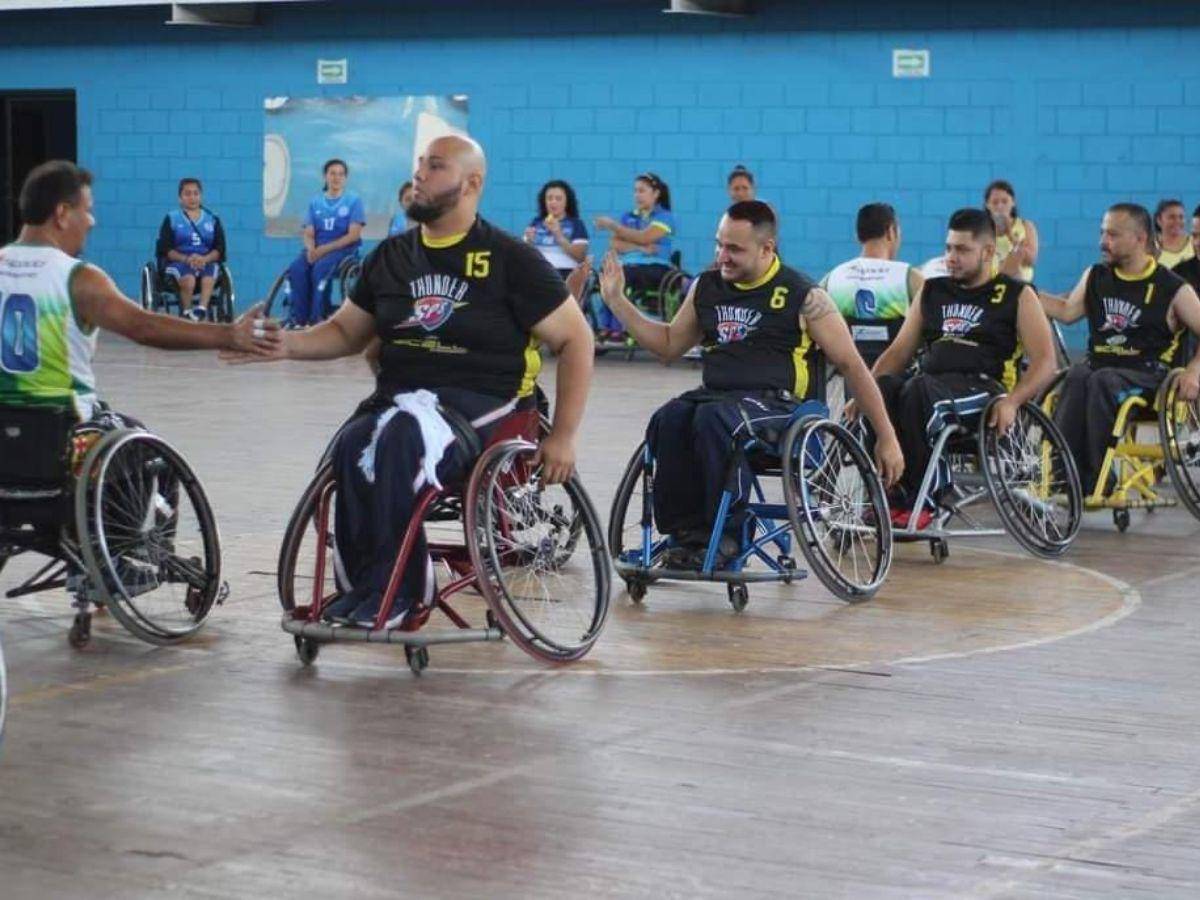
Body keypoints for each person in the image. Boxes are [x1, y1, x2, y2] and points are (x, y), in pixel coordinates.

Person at [223, 135, 594, 630]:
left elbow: (577, 340)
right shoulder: (392, 256)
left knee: (401, 439)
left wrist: (563, 435)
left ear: (472, 183)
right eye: (420, 164)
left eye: (435, 166)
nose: (419, 174)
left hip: (488, 404)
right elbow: (346, 332)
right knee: (355, 444)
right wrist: (283, 344)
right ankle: (365, 589)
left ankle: (402, 595)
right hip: (405, 400)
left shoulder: (511, 259)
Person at [598, 200, 903, 565]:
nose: (722, 256)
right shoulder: (706, 287)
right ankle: (686, 534)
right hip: (718, 398)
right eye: (719, 244)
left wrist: (886, 437)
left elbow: (853, 366)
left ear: (766, 249)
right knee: (670, 418)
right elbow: (668, 345)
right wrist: (616, 302)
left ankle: (728, 534)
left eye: (734, 249)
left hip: (783, 408)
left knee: (717, 421)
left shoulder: (803, 295)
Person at [0, 160, 276, 438]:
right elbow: (144, 327)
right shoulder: (78, 279)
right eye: (88, 210)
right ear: (62, 214)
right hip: (61, 430)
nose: (92, 222)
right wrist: (229, 334)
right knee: (143, 447)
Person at [863, 208, 1058, 528]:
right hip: (932, 384)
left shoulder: (1016, 295)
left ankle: (927, 497)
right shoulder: (932, 290)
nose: (952, 257)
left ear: (988, 252)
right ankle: (892, 494)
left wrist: (1013, 401)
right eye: (949, 248)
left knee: (919, 392)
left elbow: (1045, 361)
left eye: (963, 250)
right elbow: (898, 352)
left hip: (984, 391)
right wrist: (865, 390)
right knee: (883, 391)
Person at [1039, 203, 1200, 495]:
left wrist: (1193, 371)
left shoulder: (1172, 287)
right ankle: (1062, 473)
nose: (1103, 242)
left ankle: (1099, 476)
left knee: (1103, 381)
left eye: (1112, 235)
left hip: (1149, 376)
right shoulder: (1096, 276)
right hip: (1099, 369)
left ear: (1140, 239)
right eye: (1102, 233)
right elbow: (1065, 311)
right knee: (1076, 375)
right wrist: (1023, 294)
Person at [821, 202, 923, 365]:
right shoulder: (909, 277)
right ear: (891, 232)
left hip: (846, 378)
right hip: (897, 377)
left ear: (857, 236)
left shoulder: (832, 279)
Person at [592, 172, 676, 340]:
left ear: (656, 193)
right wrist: (640, 247)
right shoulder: (628, 217)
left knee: (623, 277)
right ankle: (604, 326)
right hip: (628, 263)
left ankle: (619, 327)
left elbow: (646, 236)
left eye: (642, 190)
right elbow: (615, 244)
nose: (637, 195)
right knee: (605, 275)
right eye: (635, 191)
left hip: (655, 267)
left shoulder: (665, 217)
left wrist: (613, 226)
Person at [284, 158, 365, 328]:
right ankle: (298, 319)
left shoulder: (353, 201)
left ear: (345, 178)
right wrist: (311, 249)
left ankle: (317, 318)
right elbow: (308, 232)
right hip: (317, 248)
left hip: (343, 249)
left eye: (341, 174)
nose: (336, 178)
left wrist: (323, 250)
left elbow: (353, 235)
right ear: (325, 177)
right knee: (297, 268)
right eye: (332, 173)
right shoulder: (315, 202)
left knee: (321, 268)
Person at [156, 177, 226, 320]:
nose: (192, 197)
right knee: (189, 278)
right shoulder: (172, 218)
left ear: (200, 196)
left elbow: (219, 249)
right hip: (179, 262)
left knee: (211, 272)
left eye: (196, 193)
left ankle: (201, 309)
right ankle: (187, 312)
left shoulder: (212, 219)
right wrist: (187, 259)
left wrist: (204, 259)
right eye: (187, 194)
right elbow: (166, 249)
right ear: (180, 198)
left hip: (205, 261)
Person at [523, 179, 589, 279]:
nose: (553, 202)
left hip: (566, 273)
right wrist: (528, 241)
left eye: (558, 199)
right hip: (539, 272)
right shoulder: (536, 222)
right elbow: (524, 253)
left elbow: (580, 256)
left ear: (566, 202)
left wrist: (559, 235)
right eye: (549, 198)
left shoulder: (576, 224)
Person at [984, 180, 1038, 281]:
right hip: (991, 284)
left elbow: (1030, 261)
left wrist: (1010, 235)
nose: (1000, 206)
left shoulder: (1025, 226)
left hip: (1020, 284)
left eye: (1005, 201)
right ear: (987, 205)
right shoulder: (982, 229)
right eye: (995, 203)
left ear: (1013, 202)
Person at [1154, 198, 1194, 269]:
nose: (1177, 221)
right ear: (1159, 220)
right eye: (1171, 217)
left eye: (1181, 217)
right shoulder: (1150, 247)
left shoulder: (1195, 243)